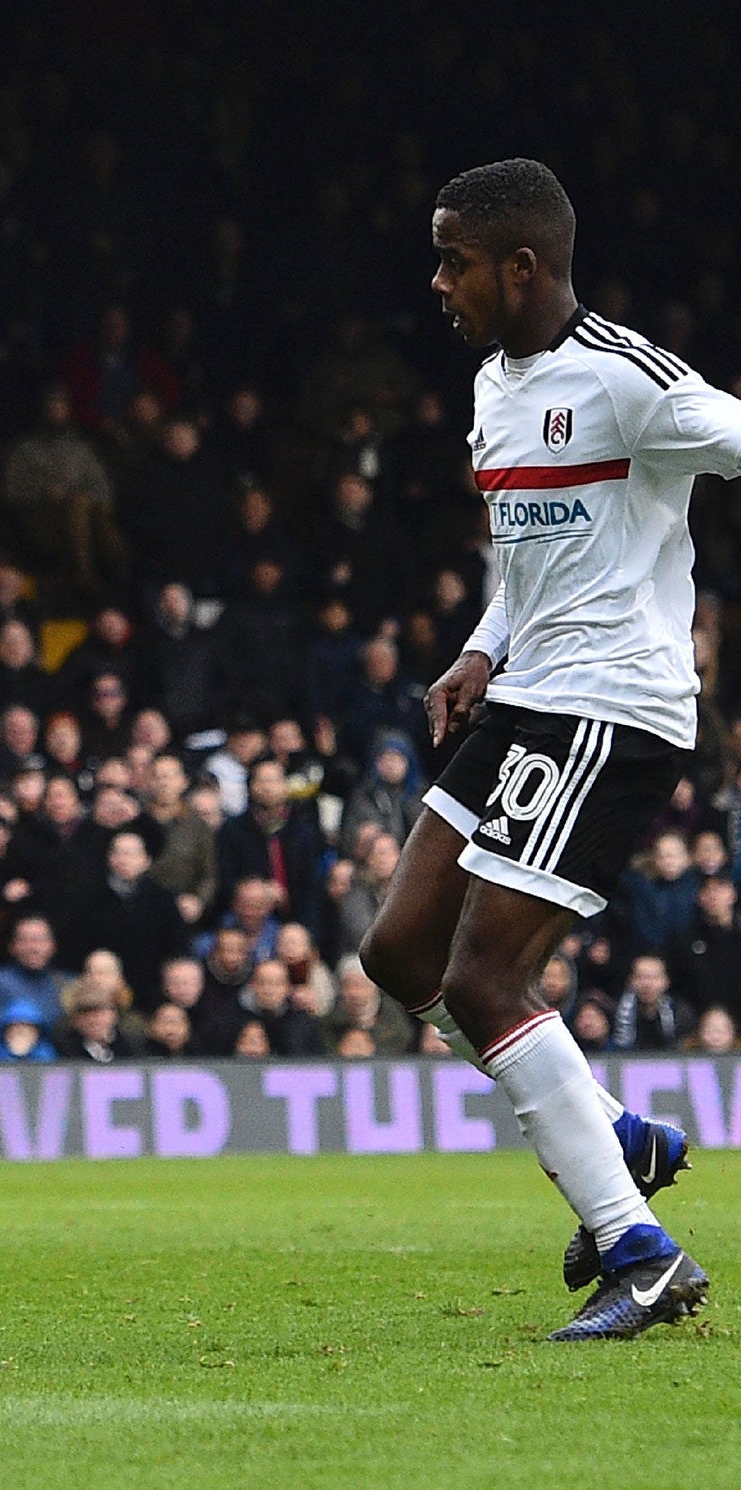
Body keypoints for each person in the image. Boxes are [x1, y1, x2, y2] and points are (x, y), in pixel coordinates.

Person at [359, 160, 730, 1337]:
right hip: (524, 693)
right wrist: (480, 646)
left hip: (609, 707)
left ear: (518, 265)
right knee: (399, 951)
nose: (436, 281)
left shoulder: (634, 385)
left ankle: (638, 1249)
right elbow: (524, 558)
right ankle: (616, 1136)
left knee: (482, 976)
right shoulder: (489, 390)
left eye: (451, 259)